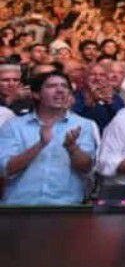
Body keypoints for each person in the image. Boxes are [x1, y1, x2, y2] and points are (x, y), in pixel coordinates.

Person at [0, 71, 98, 205]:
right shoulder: (14, 126)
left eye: (64, 86)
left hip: (66, 207)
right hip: (20, 206)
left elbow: (86, 168)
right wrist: (40, 145)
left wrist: (72, 148)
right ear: (36, 94)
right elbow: (6, 169)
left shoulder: (83, 125)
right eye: (51, 86)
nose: (60, 90)